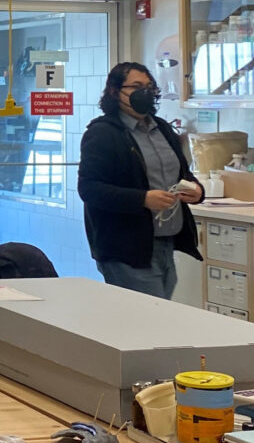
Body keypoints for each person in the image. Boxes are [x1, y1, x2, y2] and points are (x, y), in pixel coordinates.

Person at [77, 62, 203, 298]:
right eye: (136, 86)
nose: (145, 92)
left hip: (165, 242)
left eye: (149, 86)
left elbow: (182, 172)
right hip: (126, 247)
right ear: (115, 92)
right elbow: (90, 189)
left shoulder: (163, 129)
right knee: (149, 324)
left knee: (160, 318)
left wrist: (196, 190)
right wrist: (143, 199)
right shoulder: (102, 133)